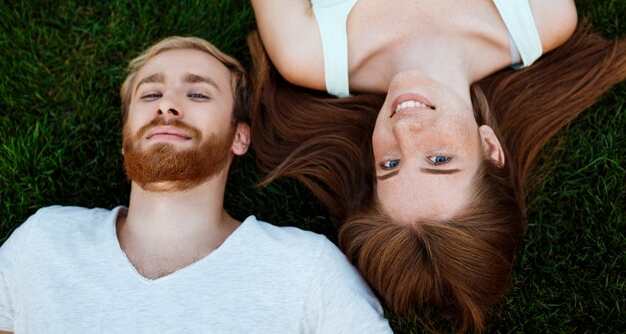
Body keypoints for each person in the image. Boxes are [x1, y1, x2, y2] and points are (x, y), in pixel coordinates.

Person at [236, 0, 626, 333]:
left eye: (389, 165)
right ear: (490, 149)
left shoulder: (310, 53)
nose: (404, 130)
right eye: (439, 159)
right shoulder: (540, 16)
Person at [0, 37, 393, 333]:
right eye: (151, 93)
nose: (167, 105)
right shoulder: (44, 240)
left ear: (240, 137)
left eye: (198, 93)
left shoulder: (305, 269)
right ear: (125, 140)